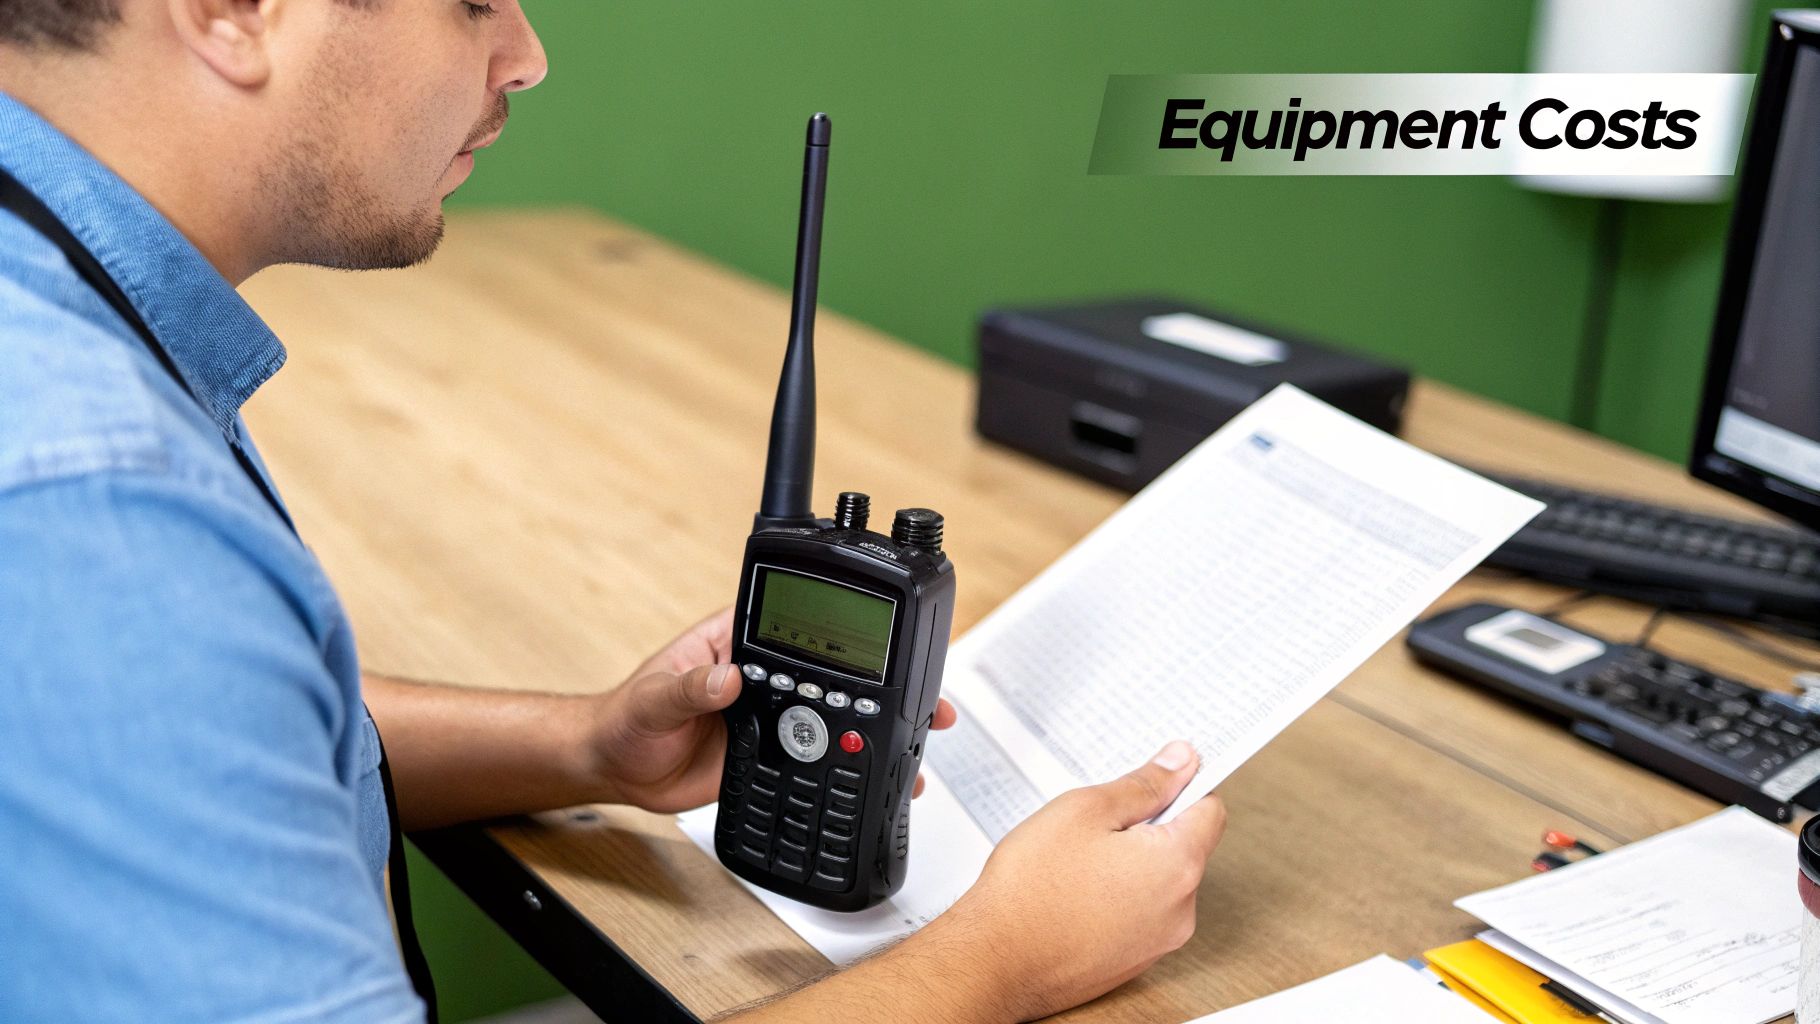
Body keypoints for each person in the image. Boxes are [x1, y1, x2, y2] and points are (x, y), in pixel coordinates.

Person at [0, 2, 1229, 1021]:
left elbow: (225, 720)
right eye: (473, 0)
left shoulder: (56, 300)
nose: (525, 52)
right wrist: (1000, 957)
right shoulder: (94, 506)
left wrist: (584, 744)